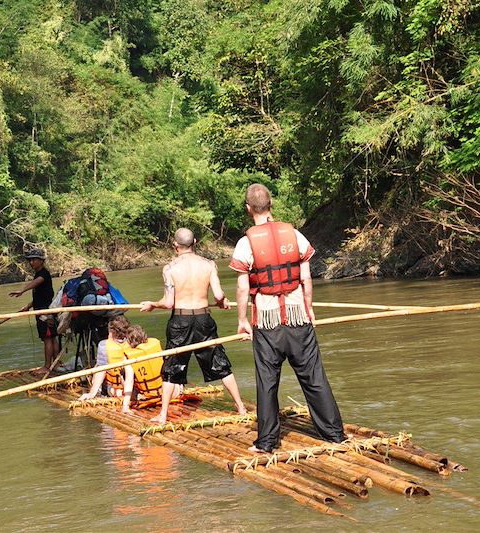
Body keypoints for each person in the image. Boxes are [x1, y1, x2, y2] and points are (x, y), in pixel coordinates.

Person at [230, 183, 346, 452]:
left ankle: (267, 442)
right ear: (271, 205)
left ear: (249, 209)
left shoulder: (245, 243)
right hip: (297, 317)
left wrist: (242, 320)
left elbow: (242, 287)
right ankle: (334, 434)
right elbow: (305, 277)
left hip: (267, 322)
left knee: (267, 383)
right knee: (314, 377)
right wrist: (309, 307)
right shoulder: (294, 235)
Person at [140, 228, 246, 424]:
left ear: (175, 245)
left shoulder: (170, 268)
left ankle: (163, 415)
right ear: (195, 242)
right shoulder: (209, 265)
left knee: (172, 366)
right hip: (203, 319)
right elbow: (219, 295)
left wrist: (153, 304)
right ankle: (240, 407)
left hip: (180, 321)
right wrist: (222, 302)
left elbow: (169, 303)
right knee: (220, 361)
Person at [9, 248, 60, 377]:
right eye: (30, 260)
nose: (32, 262)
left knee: (48, 338)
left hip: (45, 312)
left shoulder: (43, 274)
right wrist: (28, 306)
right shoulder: (39, 274)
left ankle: (47, 367)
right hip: (43, 309)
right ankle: (57, 363)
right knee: (51, 337)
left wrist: (22, 290)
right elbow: (40, 296)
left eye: (34, 260)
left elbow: (37, 283)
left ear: (41, 261)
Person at [78, 315, 134, 413]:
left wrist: (92, 393)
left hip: (115, 388)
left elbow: (101, 371)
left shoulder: (104, 345)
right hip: (132, 387)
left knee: (97, 368)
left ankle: (108, 391)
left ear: (111, 332)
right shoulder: (133, 342)